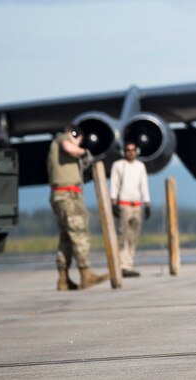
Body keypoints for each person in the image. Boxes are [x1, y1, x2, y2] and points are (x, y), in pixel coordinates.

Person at [46, 123, 108, 290]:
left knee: (66, 237)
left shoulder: (56, 144)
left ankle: (63, 279)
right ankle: (86, 274)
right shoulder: (64, 138)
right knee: (79, 233)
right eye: (80, 140)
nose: (80, 144)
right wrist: (84, 153)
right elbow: (69, 147)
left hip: (60, 195)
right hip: (68, 196)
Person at [110, 142, 151, 278]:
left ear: (136, 151)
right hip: (124, 203)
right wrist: (113, 201)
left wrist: (147, 202)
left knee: (133, 236)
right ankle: (121, 265)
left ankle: (129, 262)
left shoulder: (140, 166)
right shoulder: (118, 165)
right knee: (123, 235)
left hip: (137, 204)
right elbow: (114, 184)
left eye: (133, 150)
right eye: (128, 150)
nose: (131, 152)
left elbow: (143, 184)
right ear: (124, 151)